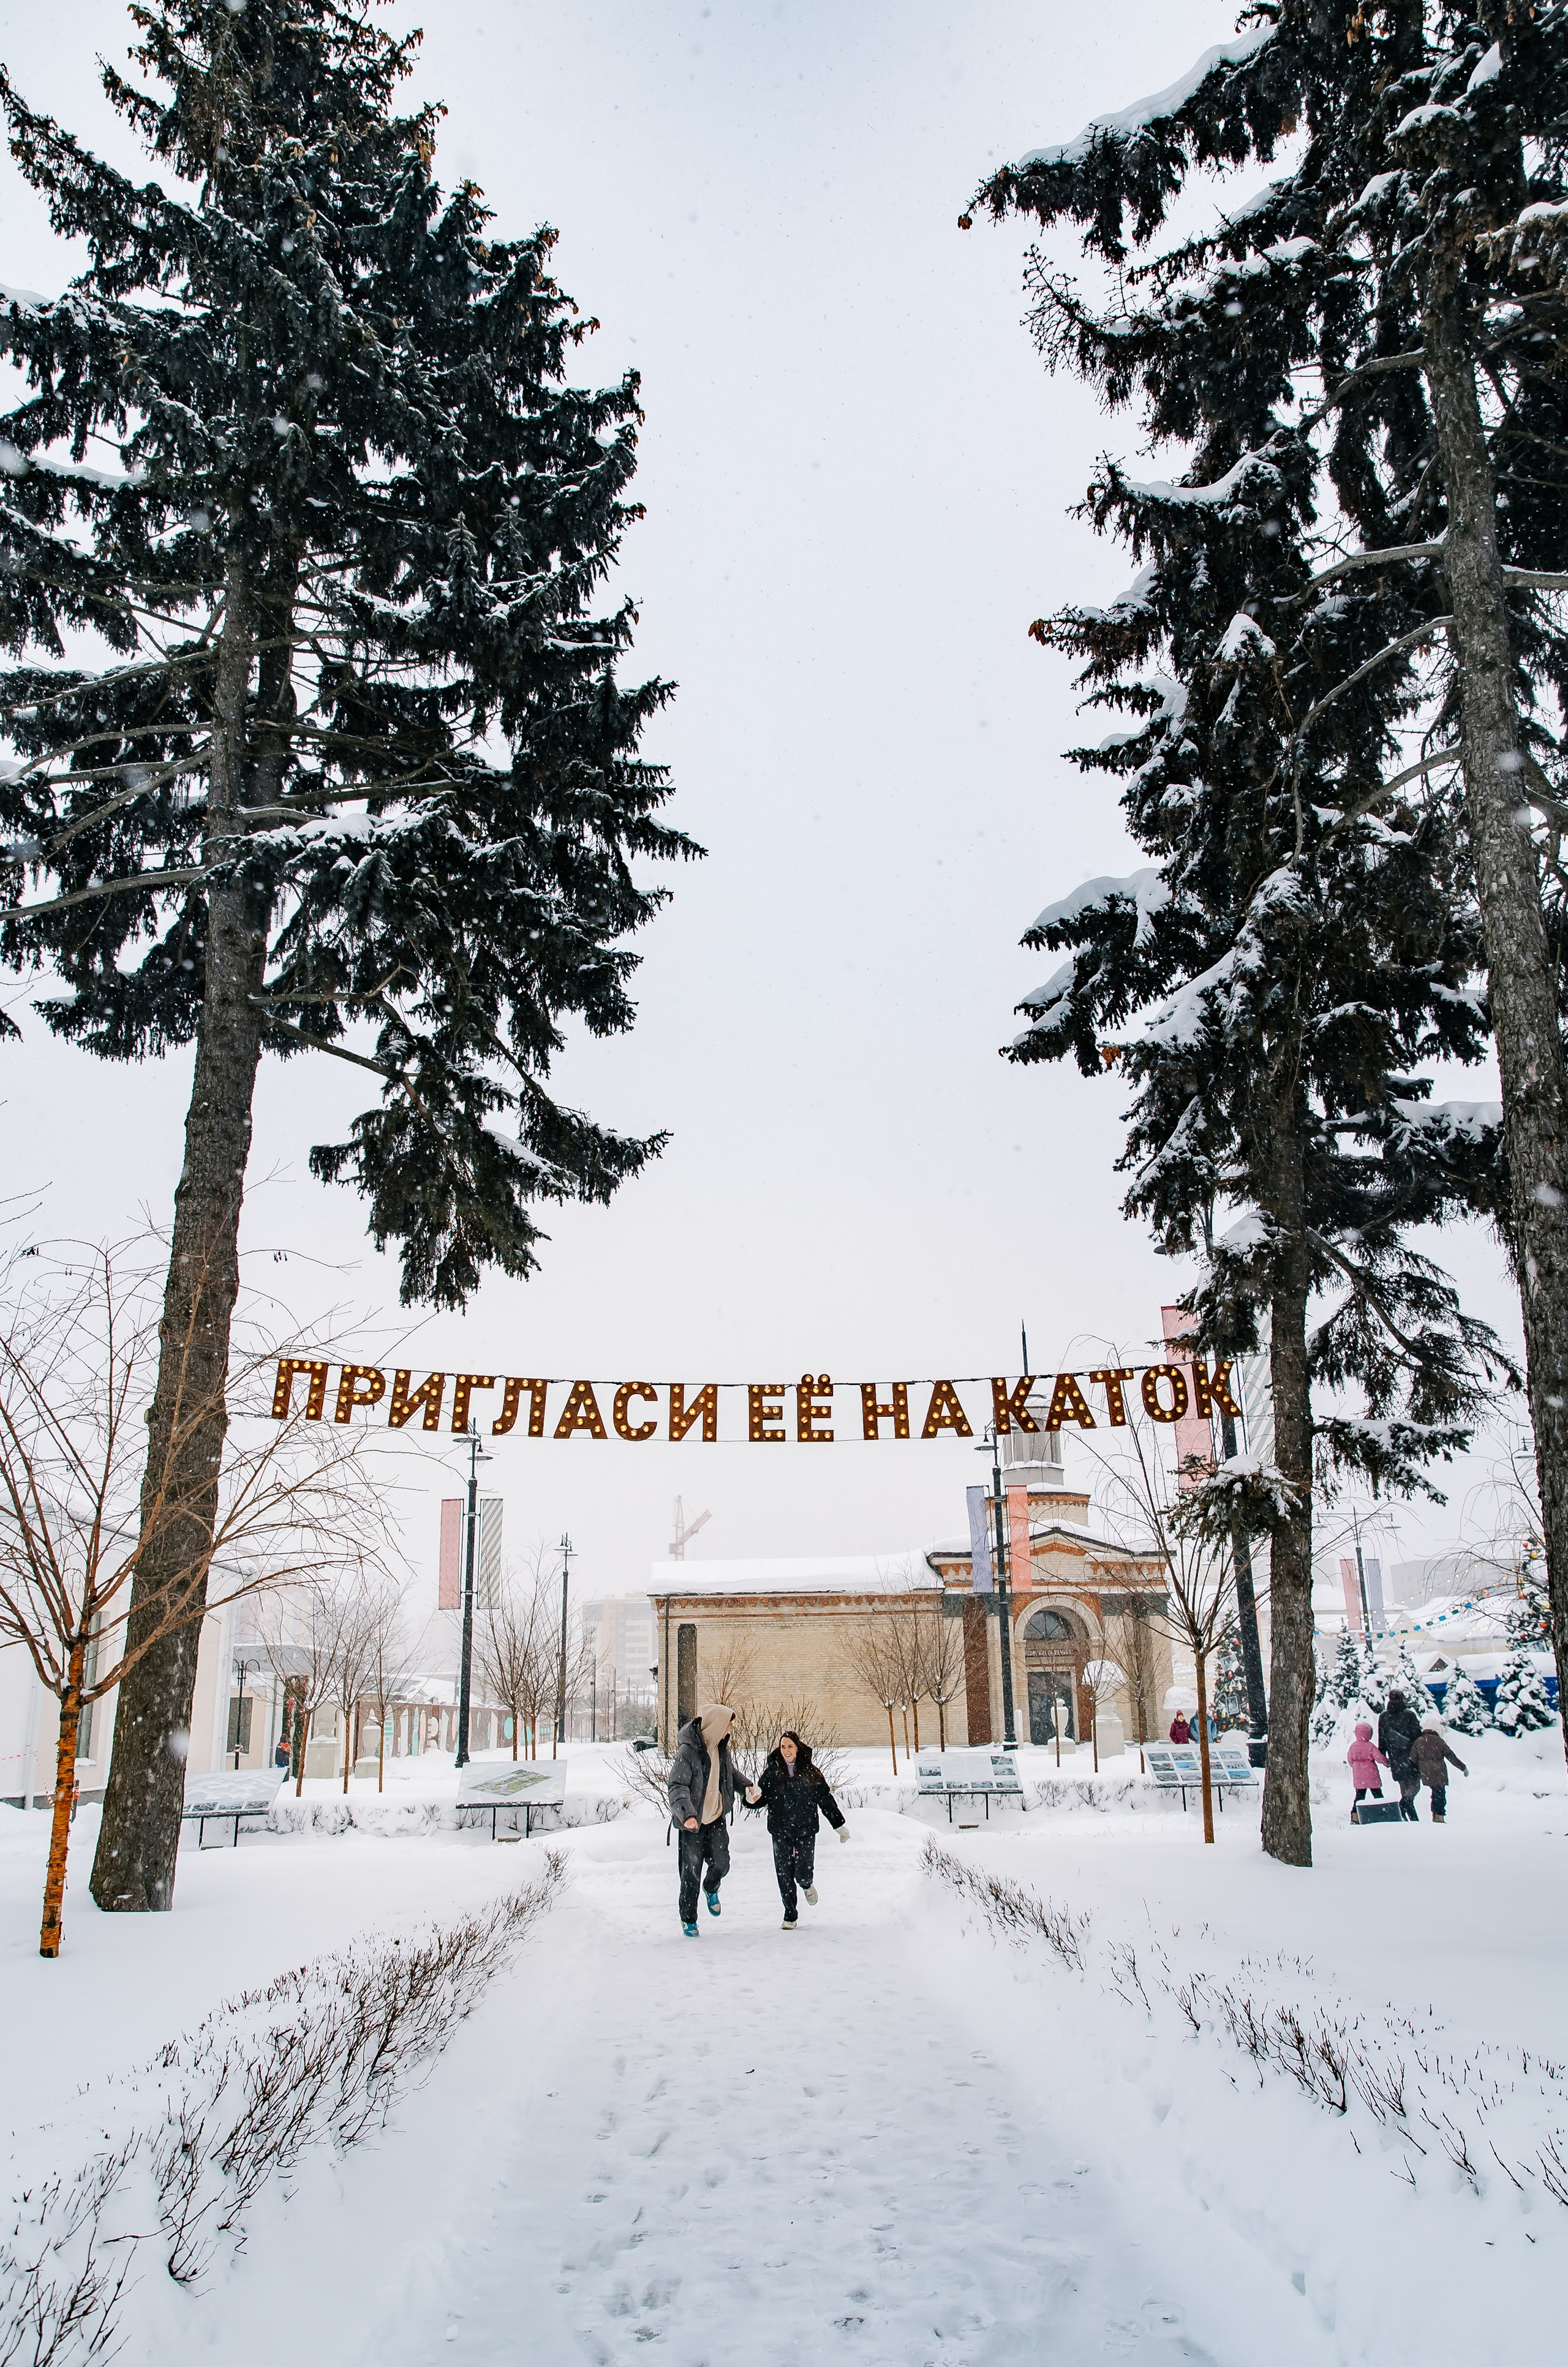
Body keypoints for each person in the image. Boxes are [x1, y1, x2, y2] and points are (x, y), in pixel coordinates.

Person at [665, 1702, 760, 1936]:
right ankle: (689, 1919)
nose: (730, 1730)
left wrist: (747, 1787)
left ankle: (711, 1887)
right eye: (728, 1725)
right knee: (691, 1873)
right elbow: (677, 1785)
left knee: (722, 1863)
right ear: (716, 1725)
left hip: (716, 1818)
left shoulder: (720, 1748)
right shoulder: (688, 1751)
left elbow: (730, 1774)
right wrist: (687, 1815)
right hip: (693, 1823)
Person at [748, 1731, 849, 1931]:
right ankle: (790, 1914)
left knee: (803, 1870)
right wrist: (751, 1800)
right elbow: (761, 1797)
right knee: (784, 1873)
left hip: (805, 1828)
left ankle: (806, 1884)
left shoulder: (810, 1772)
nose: (786, 1750)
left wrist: (839, 1825)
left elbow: (825, 1798)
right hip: (780, 1829)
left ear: (797, 1748)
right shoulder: (773, 1772)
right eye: (783, 1746)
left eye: (790, 1746)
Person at [1378, 1686, 1425, 1822]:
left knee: (1404, 1789)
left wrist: (1383, 1755)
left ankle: (1411, 1818)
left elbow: (1382, 1738)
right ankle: (1402, 1808)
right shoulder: (1409, 1715)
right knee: (1415, 1787)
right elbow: (1417, 1735)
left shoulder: (1384, 1716)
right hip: (1411, 1756)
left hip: (1395, 1758)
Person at [1412, 1712, 1469, 1823]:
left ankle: (1435, 1814)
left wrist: (1419, 1769)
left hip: (1426, 1773)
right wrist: (1463, 1768)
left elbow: (1413, 1758)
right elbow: (1451, 1756)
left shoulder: (1419, 1741)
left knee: (1435, 1793)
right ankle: (1439, 1815)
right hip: (1439, 1772)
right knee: (1440, 1794)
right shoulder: (1439, 1741)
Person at [1346, 1720, 1388, 1814]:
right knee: (1378, 1795)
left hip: (1359, 1777)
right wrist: (1387, 1762)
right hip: (1372, 1775)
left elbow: (1350, 1759)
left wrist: (1356, 1767)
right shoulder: (1370, 1746)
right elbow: (1379, 1758)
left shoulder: (1353, 1747)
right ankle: (1383, 1812)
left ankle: (1355, 1815)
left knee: (1360, 1797)